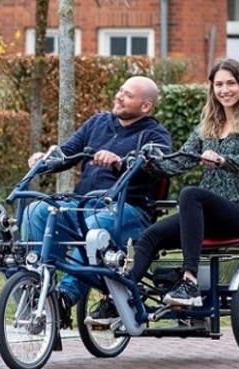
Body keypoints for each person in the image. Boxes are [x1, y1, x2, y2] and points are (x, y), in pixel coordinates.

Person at [87, 58, 239, 326]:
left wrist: (221, 160)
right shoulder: (207, 123)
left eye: (231, 83)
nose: (225, 90)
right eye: (219, 84)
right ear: (212, 88)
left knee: (190, 194)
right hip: (206, 214)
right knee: (150, 235)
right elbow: (177, 161)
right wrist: (138, 162)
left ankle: (189, 283)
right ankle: (120, 299)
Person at [23, 76, 172, 329]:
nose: (119, 96)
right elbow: (66, 153)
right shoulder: (97, 123)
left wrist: (119, 162)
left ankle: (64, 298)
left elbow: (160, 164)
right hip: (83, 204)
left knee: (91, 230)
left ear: (145, 106)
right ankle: (40, 285)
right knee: (35, 211)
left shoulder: (154, 134)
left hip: (127, 209)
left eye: (127, 95)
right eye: (120, 90)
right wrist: (45, 160)